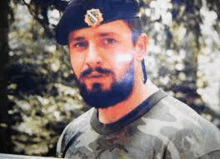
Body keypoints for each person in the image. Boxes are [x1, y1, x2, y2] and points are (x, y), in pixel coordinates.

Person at [55, 0, 220, 158]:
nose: (91, 58)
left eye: (109, 41)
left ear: (140, 47)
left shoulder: (194, 141)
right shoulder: (72, 136)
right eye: (80, 44)